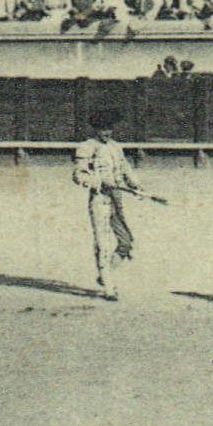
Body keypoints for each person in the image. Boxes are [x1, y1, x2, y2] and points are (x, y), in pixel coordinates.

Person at [71, 106, 163, 300]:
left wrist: (137, 186)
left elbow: (125, 170)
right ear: (95, 129)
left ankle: (105, 276)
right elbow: (78, 175)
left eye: (109, 128)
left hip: (117, 198)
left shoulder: (115, 147)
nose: (107, 132)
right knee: (103, 243)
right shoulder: (87, 147)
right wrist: (97, 181)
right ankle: (109, 287)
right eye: (103, 129)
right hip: (100, 198)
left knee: (126, 243)